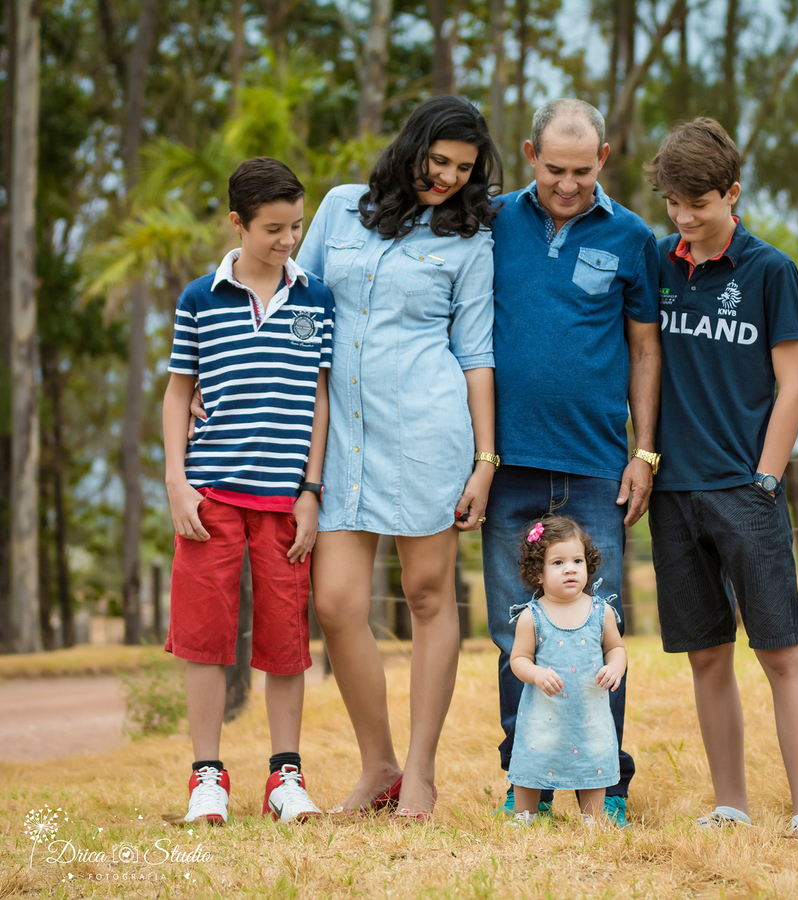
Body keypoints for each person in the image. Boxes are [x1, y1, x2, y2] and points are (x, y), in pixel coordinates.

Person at [295, 95, 500, 820]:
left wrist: (485, 461)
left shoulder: (473, 242)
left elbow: (475, 355)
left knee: (426, 597)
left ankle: (419, 772)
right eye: (436, 160)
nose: (445, 177)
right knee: (338, 603)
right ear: (410, 146)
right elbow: (299, 304)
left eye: (462, 169)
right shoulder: (340, 208)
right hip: (343, 436)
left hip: (427, 431)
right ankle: (376, 762)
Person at [643, 118, 798, 836]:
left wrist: (766, 479)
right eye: (673, 204)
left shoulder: (770, 270)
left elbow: (796, 384)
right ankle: (730, 805)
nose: (686, 218)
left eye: (699, 203)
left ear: (733, 194)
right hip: (674, 493)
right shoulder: (658, 264)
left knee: (780, 650)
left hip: (747, 491)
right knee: (706, 656)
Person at [482, 98, 661, 827]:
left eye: (582, 171)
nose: (567, 184)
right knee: (513, 631)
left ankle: (606, 786)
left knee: (596, 631)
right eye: (554, 170)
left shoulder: (632, 236)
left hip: (594, 469)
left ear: (605, 159)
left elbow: (646, 349)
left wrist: (643, 452)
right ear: (529, 155)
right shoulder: (492, 221)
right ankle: (521, 780)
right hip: (508, 466)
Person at [163, 157, 333, 825]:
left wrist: (311, 491)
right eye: (272, 229)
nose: (288, 239)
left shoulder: (315, 296)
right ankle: (207, 776)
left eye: (296, 225)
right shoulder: (199, 297)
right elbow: (179, 392)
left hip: (284, 500)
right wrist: (177, 481)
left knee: (286, 639)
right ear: (236, 223)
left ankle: (285, 778)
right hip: (210, 495)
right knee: (204, 637)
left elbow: (319, 397)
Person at [506, 516, 628, 826]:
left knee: (593, 756)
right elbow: (518, 658)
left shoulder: (601, 612)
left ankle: (592, 818)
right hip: (543, 711)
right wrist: (535, 674)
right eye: (558, 562)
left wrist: (615, 666)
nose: (570, 568)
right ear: (538, 573)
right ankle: (526, 814)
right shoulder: (532, 616)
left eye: (577, 560)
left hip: (589, 710)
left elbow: (616, 648)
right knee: (534, 755)